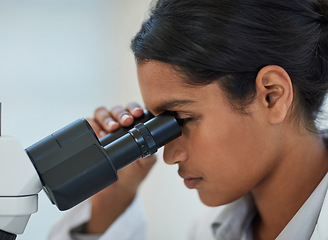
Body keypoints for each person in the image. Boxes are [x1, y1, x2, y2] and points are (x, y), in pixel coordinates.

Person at [48, 0, 328, 239]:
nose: (169, 155)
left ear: (272, 96)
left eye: (182, 118)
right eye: (159, 125)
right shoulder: (211, 231)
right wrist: (111, 200)